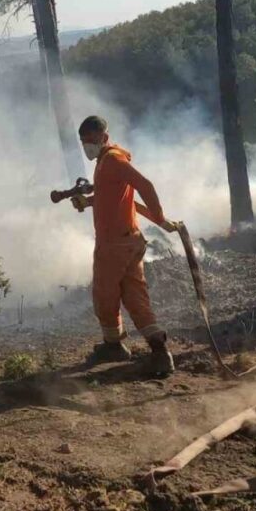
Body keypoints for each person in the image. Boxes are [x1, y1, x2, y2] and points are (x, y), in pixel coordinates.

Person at [71, 115, 176, 376]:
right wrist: (88, 202)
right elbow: (112, 196)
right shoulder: (105, 161)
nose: (87, 146)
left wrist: (160, 218)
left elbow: (145, 185)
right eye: (84, 141)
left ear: (104, 137)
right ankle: (160, 353)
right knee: (135, 296)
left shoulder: (114, 160)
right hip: (129, 242)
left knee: (104, 296)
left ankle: (113, 346)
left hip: (115, 245)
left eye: (91, 140)